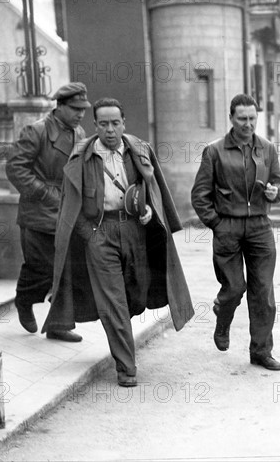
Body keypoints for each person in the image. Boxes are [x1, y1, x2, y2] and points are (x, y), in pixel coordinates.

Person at [41, 97, 194, 387]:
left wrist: (148, 209)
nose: (110, 130)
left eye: (115, 123)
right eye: (103, 124)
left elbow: (151, 188)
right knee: (113, 303)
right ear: (95, 125)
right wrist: (91, 236)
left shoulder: (139, 150)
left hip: (136, 231)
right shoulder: (81, 158)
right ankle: (126, 367)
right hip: (101, 234)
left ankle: (121, 331)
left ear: (123, 123)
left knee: (135, 296)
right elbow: (70, 206)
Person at [191, 93, 280, 371]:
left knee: (263, 292)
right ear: (231, 119)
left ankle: (261, 351)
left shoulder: (267, 148)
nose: (248, 124)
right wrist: (217, 224)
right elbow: (200, 196)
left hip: (260, 226)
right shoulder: (214, 151)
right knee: (233, 288)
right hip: (228, 227)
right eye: (242, 119)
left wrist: (275, 192)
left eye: (252, 119)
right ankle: (223, 317)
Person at [6, 82, 90, 343]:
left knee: (68, 270)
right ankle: (24, 300)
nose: (80, 114)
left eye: (83, 109)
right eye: (75, 109)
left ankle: (58, 324)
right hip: (39, 214)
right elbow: (15, 169)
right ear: (60, 106)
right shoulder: (37, 131)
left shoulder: (79, 133)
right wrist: (44, 193)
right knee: (41, 267)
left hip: (69, 211)